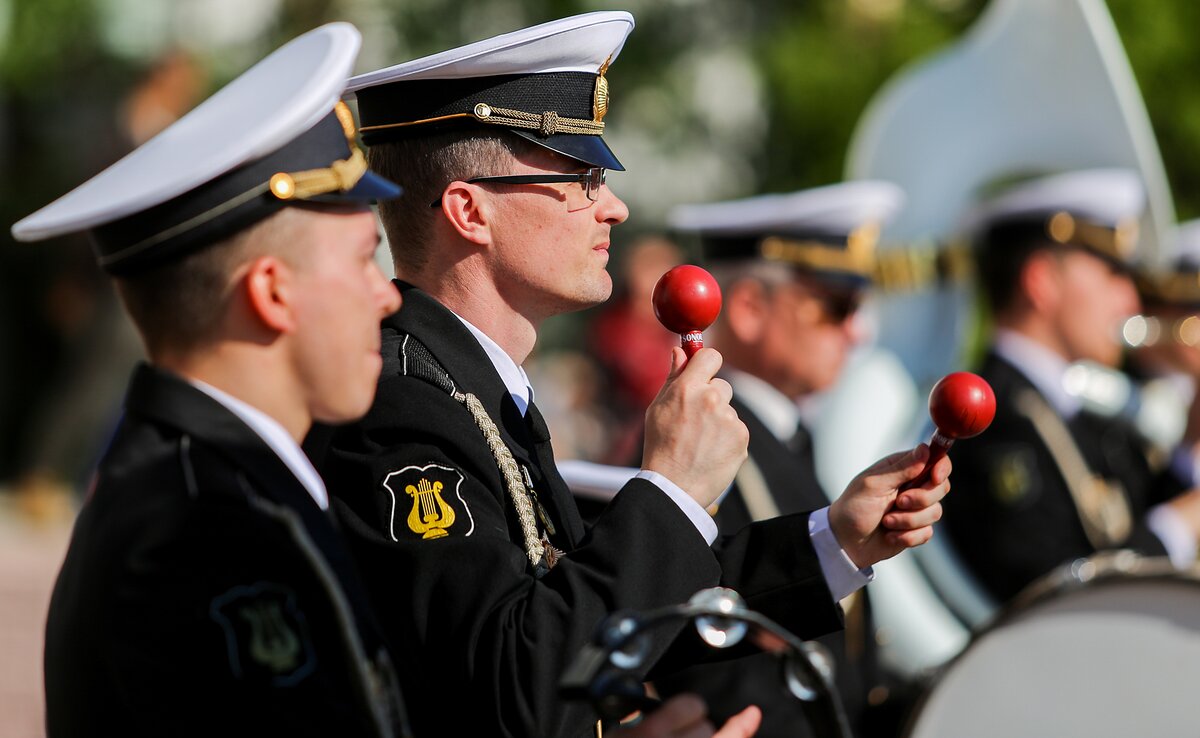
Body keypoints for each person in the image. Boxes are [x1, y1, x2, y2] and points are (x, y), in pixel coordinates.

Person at [320, 12, 952, 738]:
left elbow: (611, 621)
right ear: (470, 210)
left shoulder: (474, 392)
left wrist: (833, 541)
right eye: (582, 178)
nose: (614, 207)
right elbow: (515, 686)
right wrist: (671, 488)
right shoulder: (400, 406)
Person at [12, 24, 412, 737]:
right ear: (272, 291)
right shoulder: (204, 532)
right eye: (363, 260)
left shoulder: (216, 486)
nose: (386, 295)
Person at [653, 182, 905, 737]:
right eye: (837, 308)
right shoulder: (702, 448)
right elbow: (710, 667)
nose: (857, 331)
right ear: (749, 309)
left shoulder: (787, 437)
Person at [943, 168, 1200, 603]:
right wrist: (1185, 520)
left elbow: (1133, 518)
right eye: (1113, 274)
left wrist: (1192, 441)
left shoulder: (1074, 411)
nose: (1131, 301)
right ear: (1042, 280)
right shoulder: (992, 419)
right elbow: (1055, 597)